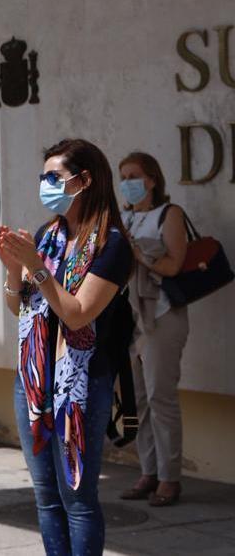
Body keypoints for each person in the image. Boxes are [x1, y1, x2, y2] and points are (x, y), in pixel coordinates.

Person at [0, 138, 133, 555]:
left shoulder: (112, 246)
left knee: (78, 501)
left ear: (85, 180)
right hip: (35, 383)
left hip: (81, 386)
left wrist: (36, 268)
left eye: (53, 177)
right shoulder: (48, 236)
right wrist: (14, 272)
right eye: (43, 177)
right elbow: (19, 308)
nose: (45, 185)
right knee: (45, 495)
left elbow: (77, 314)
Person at [117, 151, 190, 507]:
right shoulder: (126, 218)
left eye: (134, 175)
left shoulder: (169, 214)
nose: (127, 183)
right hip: (131, 317)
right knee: (139, 401)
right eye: (123, 176)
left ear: (152, 179)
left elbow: (175, 265)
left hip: (161, 315)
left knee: (161, 398)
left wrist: (138, 254)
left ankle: (169, 478)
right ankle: (148, 471)